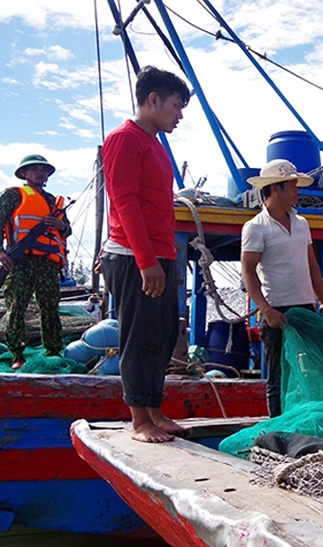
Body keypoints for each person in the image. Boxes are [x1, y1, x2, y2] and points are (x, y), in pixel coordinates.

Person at [100, 65, 190, 443]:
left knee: (163, 332)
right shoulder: (124, 138)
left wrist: (161, 257)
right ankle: (139, 421)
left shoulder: (154, 143)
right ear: (152, 100)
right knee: (139, 336)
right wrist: (145, 260)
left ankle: (154, 409)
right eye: (176, 105)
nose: (180, 114)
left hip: (161, 253)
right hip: (132, 255)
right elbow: (124, 202)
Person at [241, 159, 323, 416]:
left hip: (306, 308)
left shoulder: (302, 223)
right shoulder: (255, 227)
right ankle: (278, 426)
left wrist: (322, 301)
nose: (297, 190)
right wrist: (266, 311)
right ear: (275, 188)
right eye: (292, 185)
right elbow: (248, 272)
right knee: (278, 375)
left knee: (313, 370)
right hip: (277, 311)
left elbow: (312, 265)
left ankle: (309, 418)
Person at [0, 154, 70, 370]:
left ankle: (54, 351)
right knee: (16, 307)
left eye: (43, 169)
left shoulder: (53, 201)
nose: (40, 173)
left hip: (47, 263)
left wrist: (60, 225)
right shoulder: (13, 195)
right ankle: (16, 354)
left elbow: (67, 230)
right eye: (34, 169)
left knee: (50, 307)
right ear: (24, 173)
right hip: (20, 261)